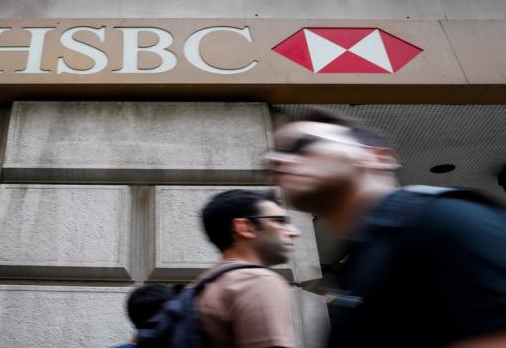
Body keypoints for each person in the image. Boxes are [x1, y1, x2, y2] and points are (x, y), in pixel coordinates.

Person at [267, 107, 506, 348]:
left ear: (377, 157)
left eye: (302, 145)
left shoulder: (444, 219)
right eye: (277, 156)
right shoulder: (361, 263)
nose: (276, 161)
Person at [196, 189, 299, 348]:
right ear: (244, 227)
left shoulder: (204, 284)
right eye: (279, 221)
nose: (294, 232)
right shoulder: (255, 282)